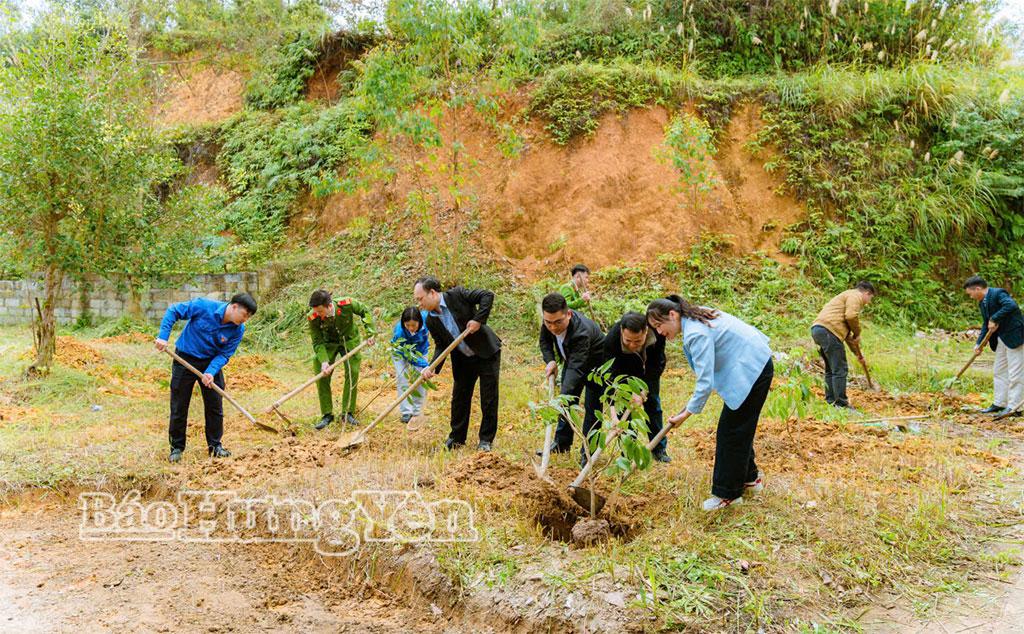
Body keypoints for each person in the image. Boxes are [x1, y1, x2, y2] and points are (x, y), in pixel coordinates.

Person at [647, 295, 773, 512]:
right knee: (738, 429)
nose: (659, 332)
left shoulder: (695, 333)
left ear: (673, 315)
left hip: (752, 369)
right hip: (754, 362)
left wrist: (686, 414)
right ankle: (750, 480)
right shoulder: (694, 317)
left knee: (730, 432)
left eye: (659, 325)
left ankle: (727, 495)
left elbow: (705, 383)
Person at [154, 292, 258, 463]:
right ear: (234, 307)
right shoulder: (203, 306)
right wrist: (163, 337)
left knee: (214, 406)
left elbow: (225, 354)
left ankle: (215, 446)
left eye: (248, 317)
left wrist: (210, 371)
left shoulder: (238, 329)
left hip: (210, 363)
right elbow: (174, 310)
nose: (245, 320)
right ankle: (176, 448)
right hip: (185, 358)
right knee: (179, 405)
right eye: (245, 315)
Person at [414, 276, 502, 451]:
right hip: (463, 359)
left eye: (420, 299)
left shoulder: (457, 295)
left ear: (432, 293)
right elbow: (441, 345)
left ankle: (485, 440)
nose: (419, 304)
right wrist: (432, 367)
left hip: (486, 353)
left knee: (488, 398)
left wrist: (478, 320)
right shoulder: (431, 320)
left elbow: (487, 295)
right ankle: (456, 438)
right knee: (459, 399)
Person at [536, 292, 605, 466]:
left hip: (597, 368)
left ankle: (588, 452)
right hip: (573, 361)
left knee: (592, 408)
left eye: (558, 322)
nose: (553, 327)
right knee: (567, 402)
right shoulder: (549, 321)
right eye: (548, 322)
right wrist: (551, 360)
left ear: (568, 314)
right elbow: (545, 342)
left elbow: (576, 368)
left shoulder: (581, 332)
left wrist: (559, 399)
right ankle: (561, 443)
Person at [603, 311, 671, 463]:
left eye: (638, 341)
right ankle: (628, 452)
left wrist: (643, 391)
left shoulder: (657, 333)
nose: (633, 345)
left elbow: (657, 363)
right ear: (622, 331)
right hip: (623, 374)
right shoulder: (612, 340)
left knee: (653, 407)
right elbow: (610, 374)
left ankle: (658, 449)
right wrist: (613, 412)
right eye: (628, 341)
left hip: (648, 372)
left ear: (646, 331)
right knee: (624, 412)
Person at [307, 290, 376, 430]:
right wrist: (324, 361)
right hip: (328, 343)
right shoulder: (313, 316)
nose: (318, 314)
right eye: (316, 312)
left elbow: (364, 311)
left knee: (352, 372)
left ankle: (347, 413)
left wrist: (370, 332)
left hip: (349, 340)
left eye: (320, 311)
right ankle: (327, 414)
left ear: (329, 306)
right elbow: (317, 341)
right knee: (320, 370)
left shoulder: (347, 304)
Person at [964, 276, 1024, 417]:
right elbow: (986, 324)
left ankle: (1015, 407)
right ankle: (999, 403)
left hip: (1015, 336)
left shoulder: (998, 293)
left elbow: (1011, 305)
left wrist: (994, 318)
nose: (971, 297)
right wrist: (979, 344)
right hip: (1001, 338)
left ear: (977, 289)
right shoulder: (982, 303)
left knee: (1015, 373)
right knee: (999, 370)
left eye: (970, 293)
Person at [810, 281, 876, 410]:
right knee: (840, 369)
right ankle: (841, 404)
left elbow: (847, 336)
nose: (868, 302)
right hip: (829, 332)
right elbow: (851, 316)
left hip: (819, 330)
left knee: (831, 369)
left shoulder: (843, 302)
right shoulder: (855, 295)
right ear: (867, 293)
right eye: (870, 298)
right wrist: (858, 332)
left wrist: (858, 354)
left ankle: (831, 402)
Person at [391, 306, 430, 423]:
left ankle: (416, 411)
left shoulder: (427, 319)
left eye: (414, 325)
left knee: (420, 378)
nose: (411, 328)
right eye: (408, 325)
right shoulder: (400, 332)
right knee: (402, 378)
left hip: (421, 351)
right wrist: (424, 364)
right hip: (400, 352)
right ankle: (406, 412)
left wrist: (424, 366)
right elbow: (408, 356)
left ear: (420, 321)